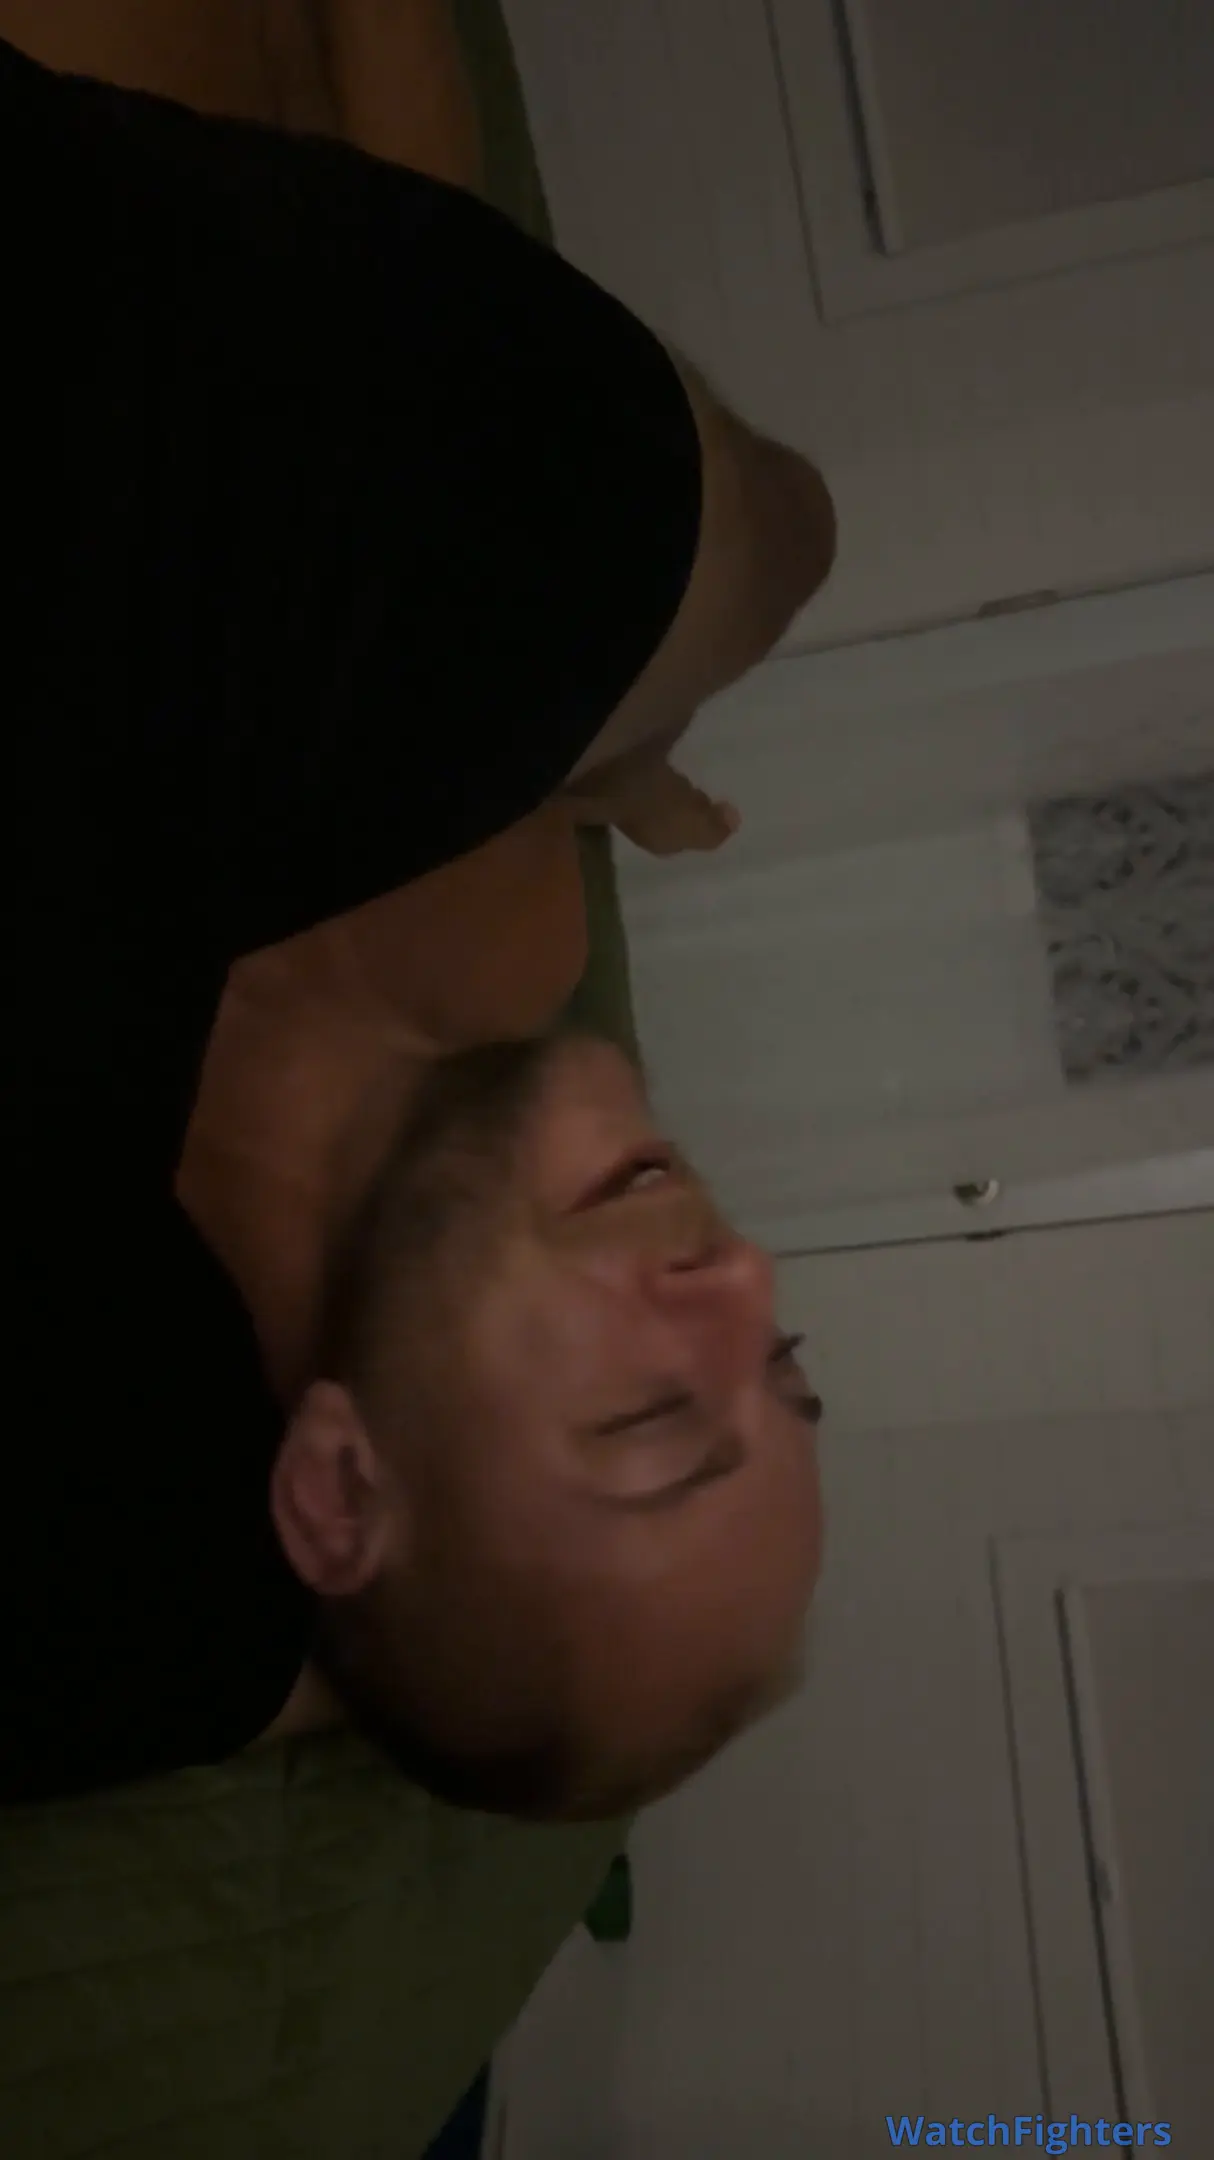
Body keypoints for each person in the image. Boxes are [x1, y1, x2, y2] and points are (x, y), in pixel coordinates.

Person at [2, 24, 835, 1805]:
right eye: (786, 1373)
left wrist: (373, 1650)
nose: (746, 1279)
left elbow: (213, 1652)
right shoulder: (508, 932)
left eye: (653, 1420)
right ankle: (634, 752)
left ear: (333, 1491)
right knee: (753, 533)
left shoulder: (110, 1480)